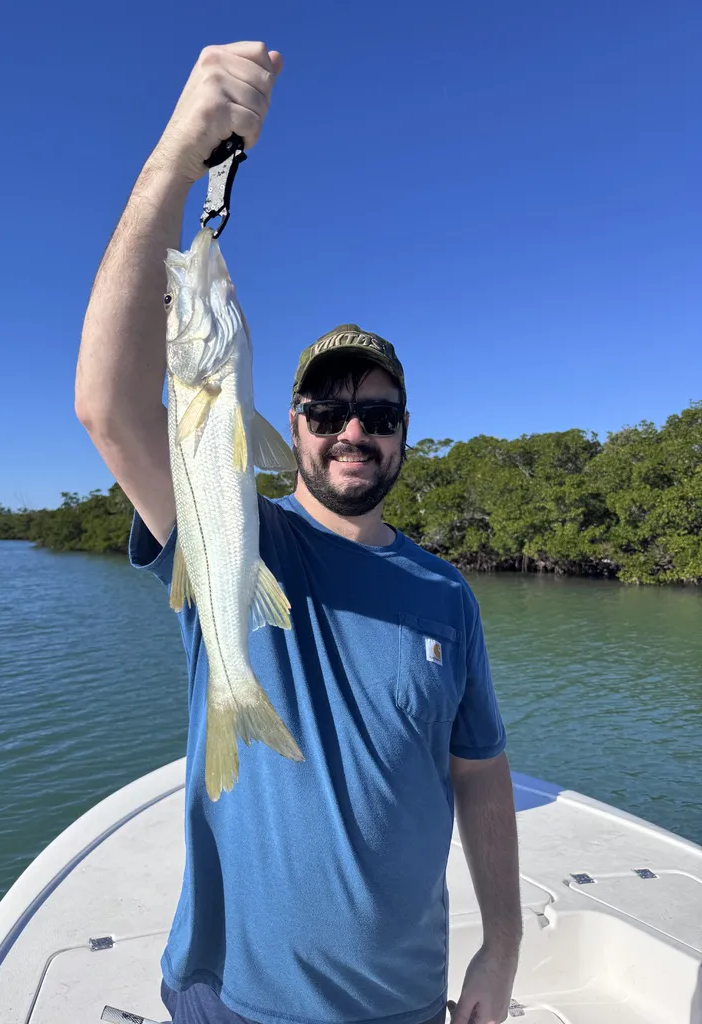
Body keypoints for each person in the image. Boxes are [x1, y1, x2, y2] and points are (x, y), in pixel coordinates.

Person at [75, 41, 522, 1024]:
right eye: (326, 410)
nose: (352, 428)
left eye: (378, 413)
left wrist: (503, 943)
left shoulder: (448, 594)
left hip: (407, 1003)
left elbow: (482, 776)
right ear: (291, 427)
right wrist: (177, 157)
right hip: (234, 999)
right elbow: (107, 407)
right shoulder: (248, 537)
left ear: (404, 433)